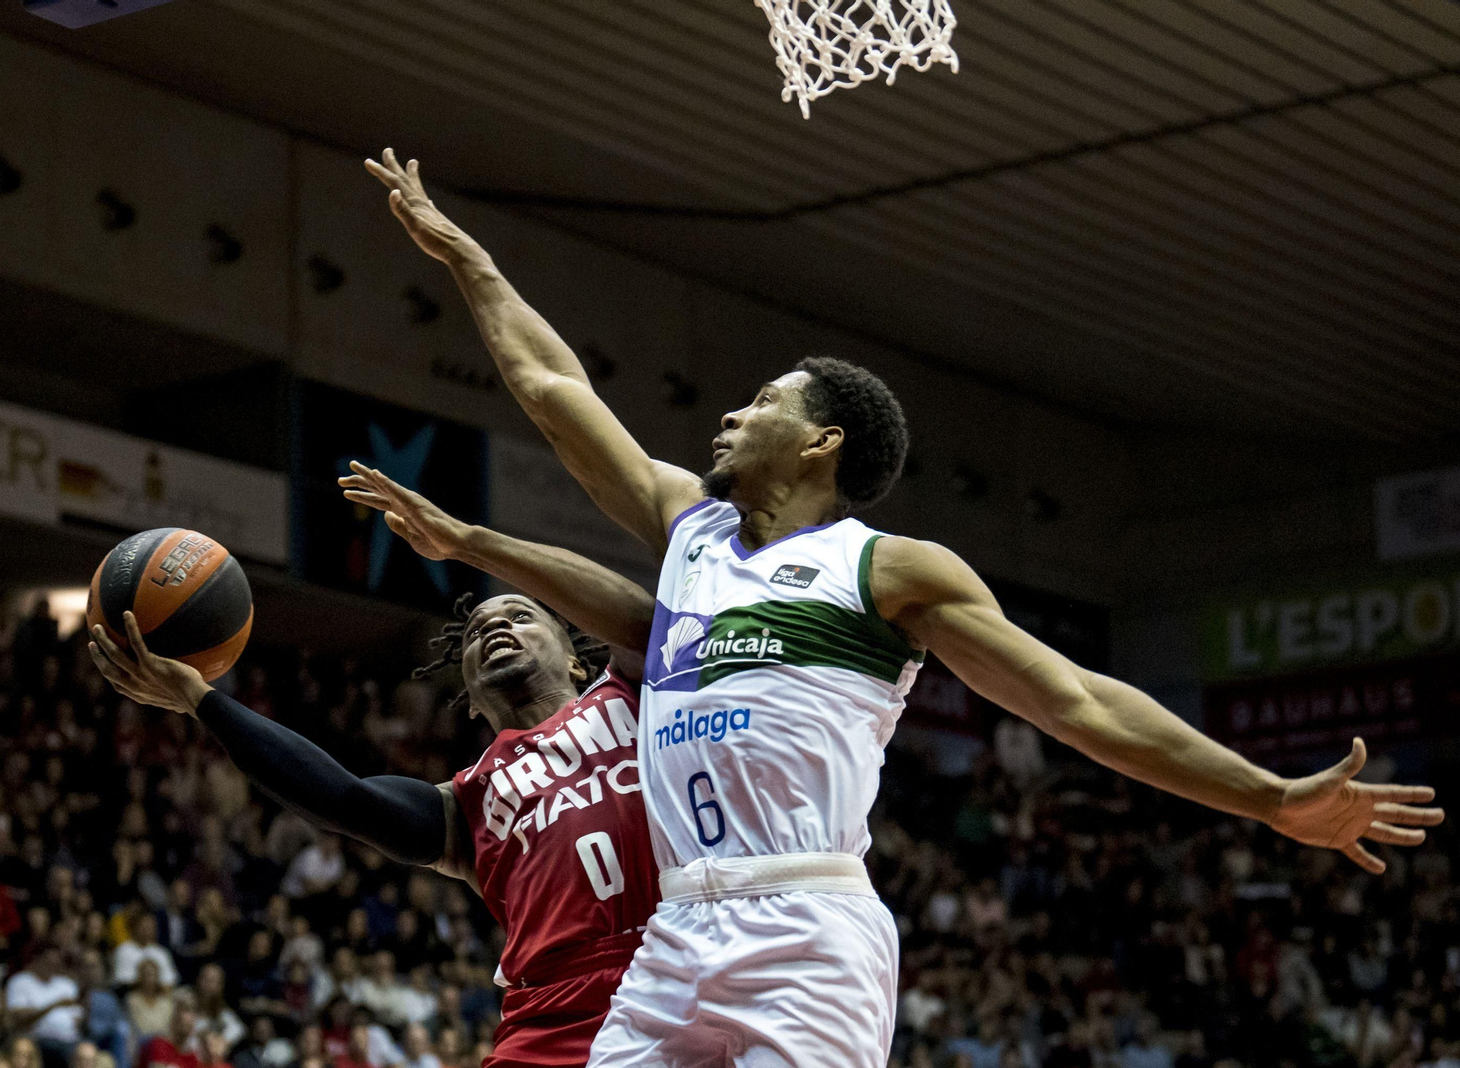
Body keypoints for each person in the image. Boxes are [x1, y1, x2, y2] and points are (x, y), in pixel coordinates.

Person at [362, 147, 1447, 1068]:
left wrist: (1264, 796)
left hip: (803, 920)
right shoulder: (691, 529)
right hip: (678, 924)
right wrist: (474, 263)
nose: (732, 415)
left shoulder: (891, 571)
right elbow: (558, 397)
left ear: (822, 443)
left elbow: (1078, 705)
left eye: (765, 402)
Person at [88, 515, 662, 1068]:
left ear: (575, 658)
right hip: (552, 1013)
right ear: (469, 693)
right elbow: (343, 798)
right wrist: (201, 699)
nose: (493, 627)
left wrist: (468, 544)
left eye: (521, 615)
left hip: (677, 964)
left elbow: (638, 616)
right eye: (475, 632)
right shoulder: (469, 801)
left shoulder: (640, 694)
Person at [5, 942, 84, 1068]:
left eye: (56, 963)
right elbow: (18, 1017)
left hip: (70, 1040)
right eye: (49, 962)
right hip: (38, 1039)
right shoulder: (20, 981)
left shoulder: (66, 984)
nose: (53, 966)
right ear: (36, 959)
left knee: (87, 1051)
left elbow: (78, 1018)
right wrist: (54, 1005)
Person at [112, 914, 177, 992]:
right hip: (132, 996)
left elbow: (170, 981)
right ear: (134, 927)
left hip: (159, 997)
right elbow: (123, 982)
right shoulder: (123, 950)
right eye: (144, 926)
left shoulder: (162, 952)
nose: (147, 929)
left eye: (150, 926)